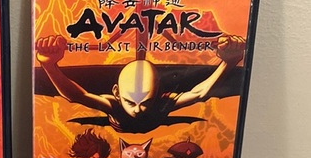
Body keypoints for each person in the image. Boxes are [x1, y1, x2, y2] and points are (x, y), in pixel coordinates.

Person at [35, 34, 246, 133]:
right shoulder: (113, 105)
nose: (137, 109)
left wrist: (229, 62)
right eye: (131, 102)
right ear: (116, 93)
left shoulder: (163, 103)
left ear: (158, 93)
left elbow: (199, 93)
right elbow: (77, 95)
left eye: (145, 102)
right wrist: (49, 65)